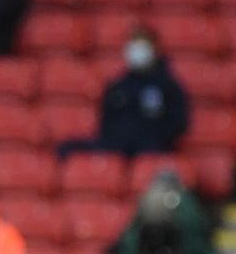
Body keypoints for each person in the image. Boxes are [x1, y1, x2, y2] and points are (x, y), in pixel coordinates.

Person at [63, 25, 189, 157]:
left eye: (142, 44)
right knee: (68, 149)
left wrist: (149, 135)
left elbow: (179, 124)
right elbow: (105, 124)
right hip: (117, 146)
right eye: (133, 44)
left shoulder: (168, 86)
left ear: (154, 48)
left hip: (151, 149)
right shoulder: (118, 86)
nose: (137, 50)